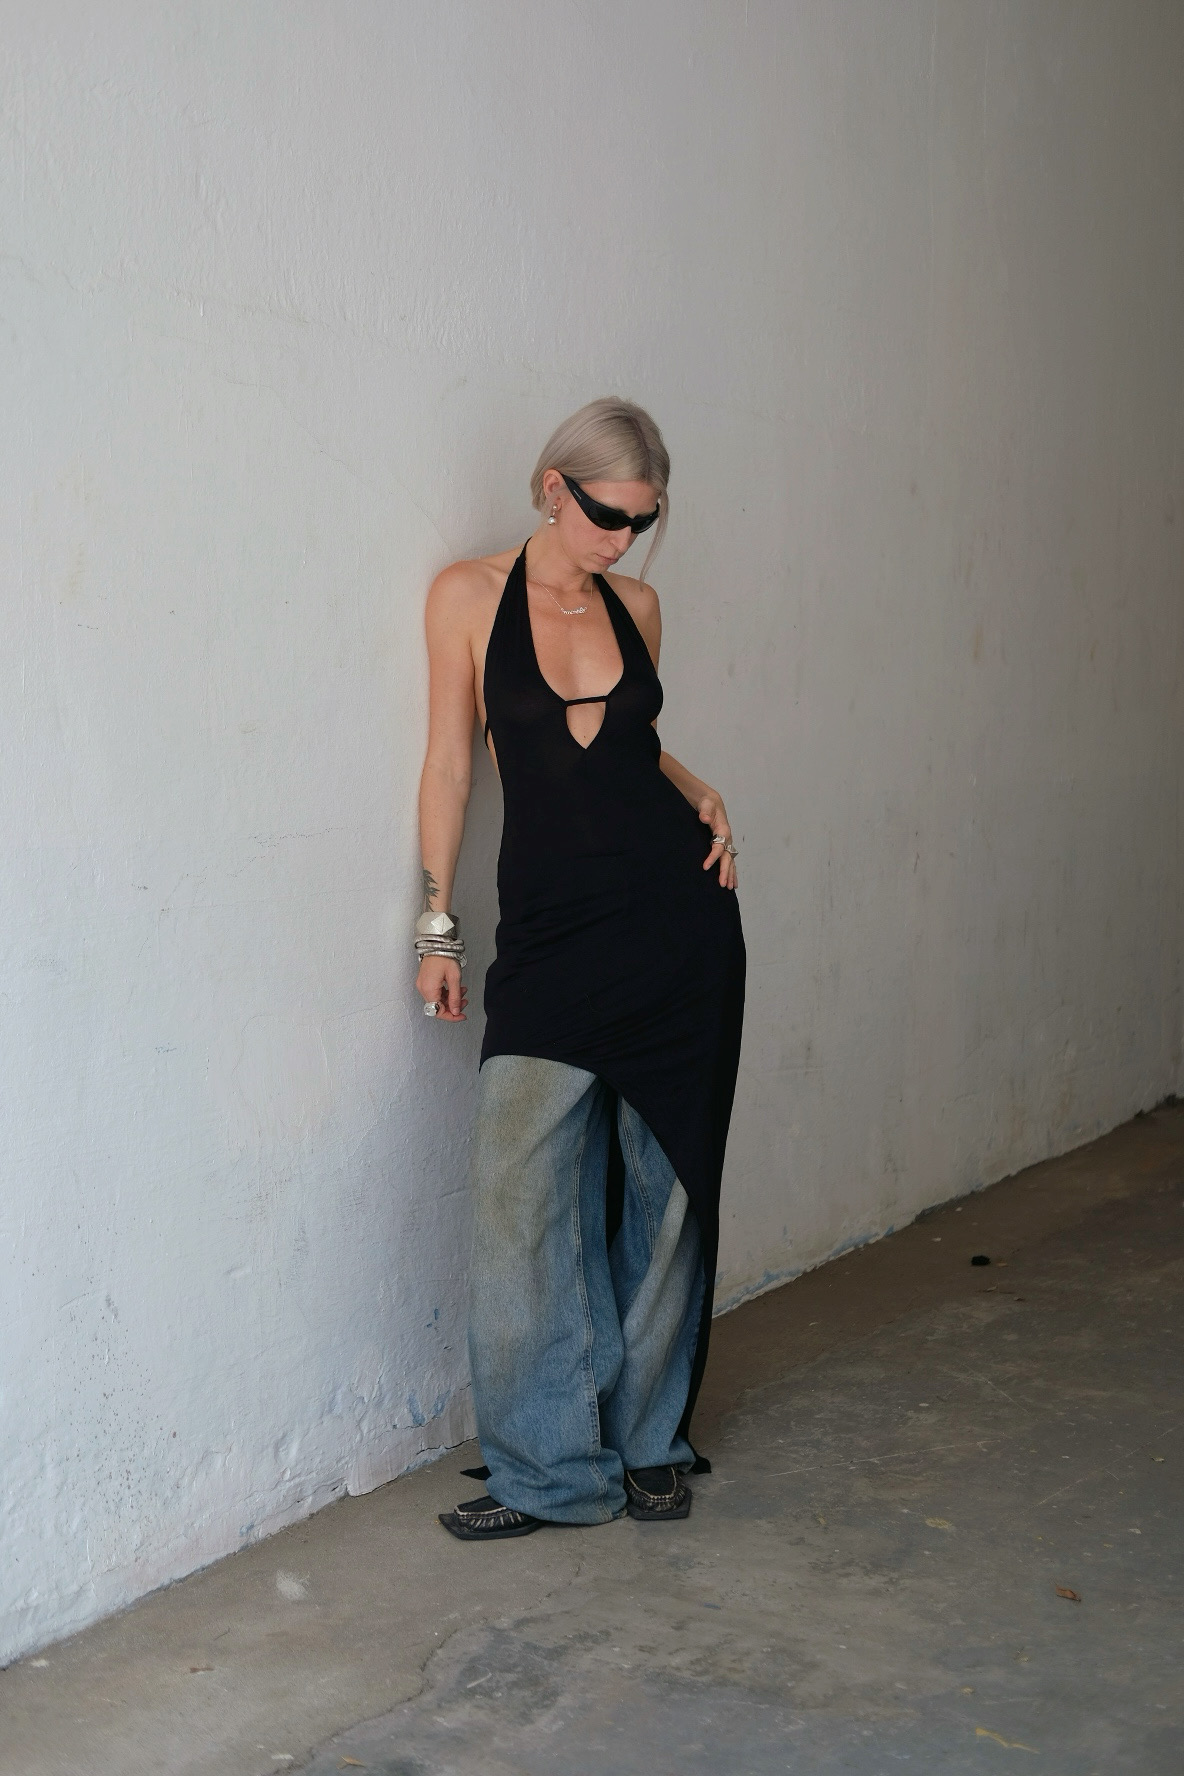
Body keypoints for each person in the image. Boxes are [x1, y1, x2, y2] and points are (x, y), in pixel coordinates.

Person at [415, 397, 745, 1540]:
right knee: (516, 1208)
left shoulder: (636, 606)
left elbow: (626, 746)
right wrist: (437, 923)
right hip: (552, 939)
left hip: (675, 928)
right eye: (607, 515)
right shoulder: (466, 596)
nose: (621, 539)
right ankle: (549, 1472)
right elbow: (451, 764)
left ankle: (648, 1444)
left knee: (662, 1199)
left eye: (641, 522)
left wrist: (695, 785)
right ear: (553, 487)